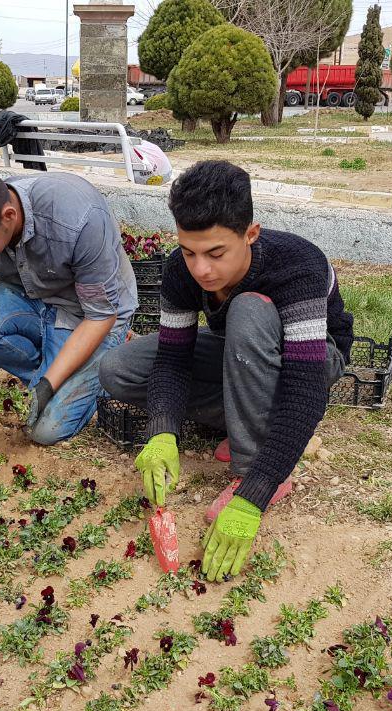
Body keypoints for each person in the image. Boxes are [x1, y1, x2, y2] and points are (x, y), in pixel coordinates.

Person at [99, 160, 353, 582]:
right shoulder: (181, 272)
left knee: (249, 309)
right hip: (244, 351)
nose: (201, 269)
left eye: (216, 253)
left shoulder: (299, 265)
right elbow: (172, 359)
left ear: (250, 233)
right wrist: (162, 429)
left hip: (313, 358)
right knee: (119, 368)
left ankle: (251, 463)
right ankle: (244, 423)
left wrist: (256, 492)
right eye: (189, 251)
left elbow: (305, 389)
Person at [0, 161, 136, 450]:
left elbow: (100, 315)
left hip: (91, 318)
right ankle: (55, 370)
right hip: (36, 304)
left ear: (8, 216)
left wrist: (48, 384)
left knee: (46, 431)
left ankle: (103, 358)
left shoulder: (78, 216)